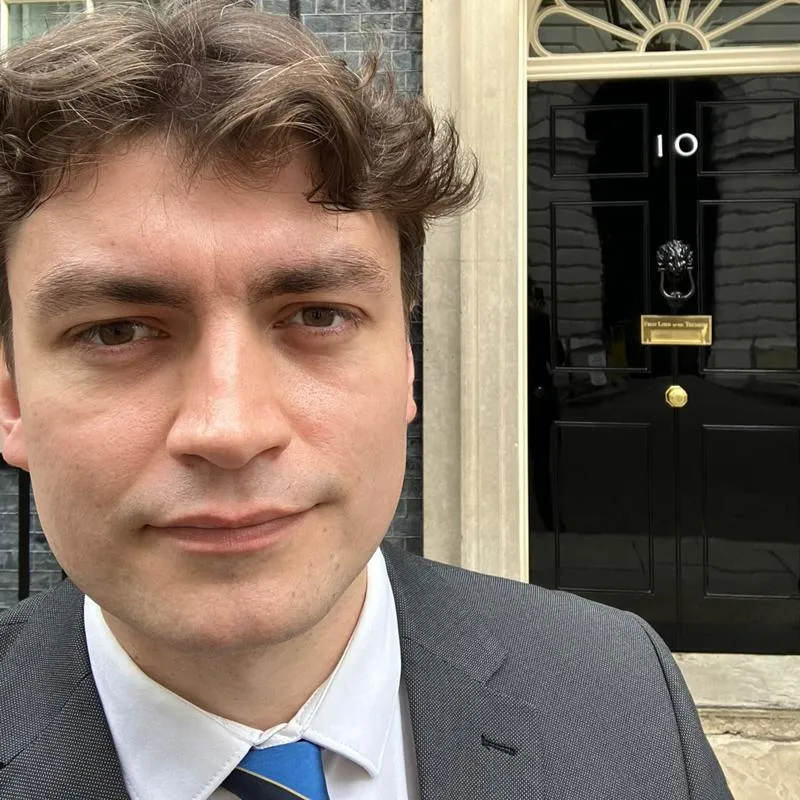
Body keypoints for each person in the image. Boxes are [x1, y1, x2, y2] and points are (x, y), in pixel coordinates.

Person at [0, 2, 733, 799]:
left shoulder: (625, 695)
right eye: (115, 333)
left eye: (318, 316)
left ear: (407, 367)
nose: (231, 428)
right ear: (11, 400)